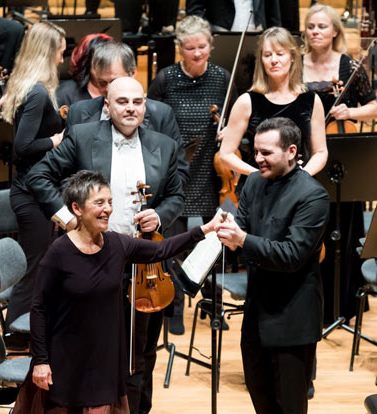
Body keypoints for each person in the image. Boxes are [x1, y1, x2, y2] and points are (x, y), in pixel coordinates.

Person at [27, 77, 184, 414]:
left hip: (144, 268)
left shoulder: (164, 145)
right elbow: (38, 177)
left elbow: (176, 196)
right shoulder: (83, 137)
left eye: (138, 102)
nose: (131, 108)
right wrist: (69, 220)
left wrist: (161, 216)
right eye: (123, 101)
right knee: (91, 347)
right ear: (107, 106)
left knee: (141, 353)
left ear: (145, 106)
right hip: (91, 261)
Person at [13, 169, 218, 414]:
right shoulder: (59, 253)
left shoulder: (116, 243)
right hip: (67, 357)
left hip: (104, 355)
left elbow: (161, 249)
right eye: (99, 203)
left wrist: (205, 230)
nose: (108, 209)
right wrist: (41, 361)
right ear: (77, 208)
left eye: (110, 202)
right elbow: (39, 308)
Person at [216, 117, 330, 414]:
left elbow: (292, 255)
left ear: (292, 151)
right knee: (260, 396)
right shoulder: (254, 181)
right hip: (256, 312)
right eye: (255, 151)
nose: (257, 159)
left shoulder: (313, 195)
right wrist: (227, 232)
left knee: (290, 405)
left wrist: (241, 239)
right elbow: (240, 224)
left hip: (292, 317)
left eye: (266, 153)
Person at [147, 14, 238, 334]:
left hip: (212, 168)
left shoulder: (222, 78)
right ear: (179, 48)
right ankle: (173, 307)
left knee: (214, 240)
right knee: (174, 241)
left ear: (210, 46)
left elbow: (236, 118)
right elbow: (150, 120)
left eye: (202, 47)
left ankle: (211, 301)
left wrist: (229, 130)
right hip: (176, 166)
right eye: (190, 48)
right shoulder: (166, 78)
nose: (197, 53)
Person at [302, 4, 377, 325]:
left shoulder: (349, 67)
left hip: (340, 156)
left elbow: (374, 105)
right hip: (304, 151)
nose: (315, 31)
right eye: (310, 26)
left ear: (334, 31)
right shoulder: (295, 66)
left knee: (342, 227)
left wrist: (350, 113)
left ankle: (342, 305)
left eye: (322, 26)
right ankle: (307, 304)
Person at [0, 22, 66, 346]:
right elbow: (22, 148)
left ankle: (25, 330)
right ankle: (13, 335)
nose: (63, 60)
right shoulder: (38, 92)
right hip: (30, 194)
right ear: (49, 52)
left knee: (36, 264)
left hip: (29, 191)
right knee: (31, 267)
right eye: (60, 53)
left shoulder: (27, 86)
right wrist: (56, 140)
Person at [64, 40, 189, 188]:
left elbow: (179, 173)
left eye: (114, 80)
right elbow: (65, 174)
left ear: (133, 73)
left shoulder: (161, 115)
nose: (109, 89)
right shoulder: (78, 112)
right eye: (101, 83)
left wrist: (158, 209)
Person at [219, 26, 327, 182]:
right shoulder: (246, 101)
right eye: (267, 55)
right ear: (261, 60)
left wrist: (302, 177)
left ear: (292, 57)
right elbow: (226, 154)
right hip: (260, 187)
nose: (274, 60)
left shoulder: (311, 100)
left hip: (299, 188)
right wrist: (259, 175)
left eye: (280, 54)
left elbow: (321, 152)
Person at [56, 33, 114, 108]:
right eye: (100, 62)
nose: (105, 66)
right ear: (87, 61)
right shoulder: (65, 93)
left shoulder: (125, 91)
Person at [186, 0, 281, 32]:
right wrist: (208, 32)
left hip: (256, 36)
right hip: (219, 37)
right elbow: (194, 10)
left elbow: (272, 10)